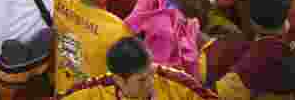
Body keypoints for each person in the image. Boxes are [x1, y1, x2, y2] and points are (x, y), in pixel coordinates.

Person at [60, 36, 217, 99]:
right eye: (141, 80)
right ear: (118, 80)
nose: (150, 83)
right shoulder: (92, 92)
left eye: (151, 73)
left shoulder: (177, 81)